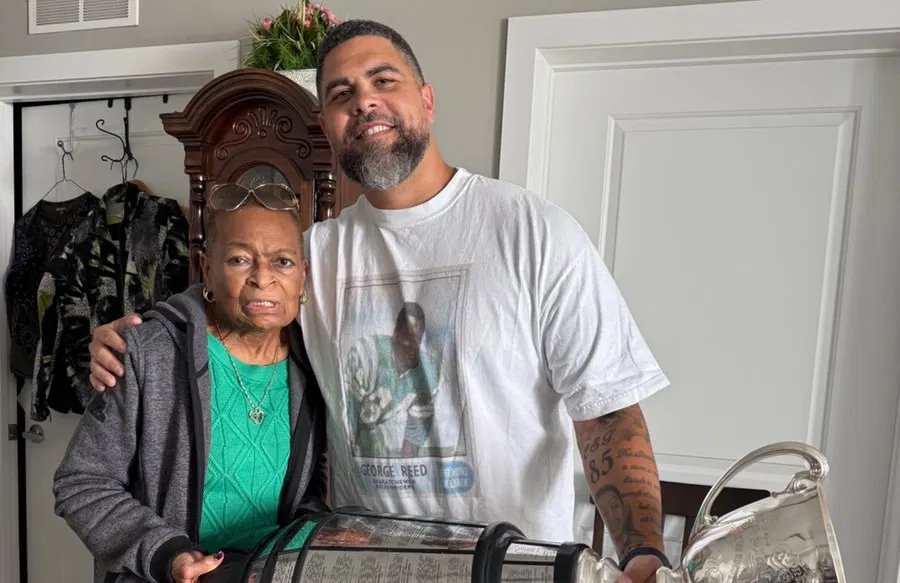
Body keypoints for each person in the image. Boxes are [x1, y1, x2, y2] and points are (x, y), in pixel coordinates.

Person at [89, 20, 671, 583]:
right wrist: (134, 338)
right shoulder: (316, 255)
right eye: (341, 94)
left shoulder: (532, 231)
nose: (364, 101)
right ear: (328, 126)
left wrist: (642, 551)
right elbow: (233, 301)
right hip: (362, 565)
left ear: (427, 99)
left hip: (512, 567)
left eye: (383, 80)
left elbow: (607, 411)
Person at [55, 184, 327, 583]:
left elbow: (309, 489)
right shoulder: (148, 353)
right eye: (239, 260)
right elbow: (82, 481)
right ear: (206, 268)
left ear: (302, 274)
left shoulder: (314, 363)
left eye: (282, 262)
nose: (263, 278)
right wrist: (166, 554)